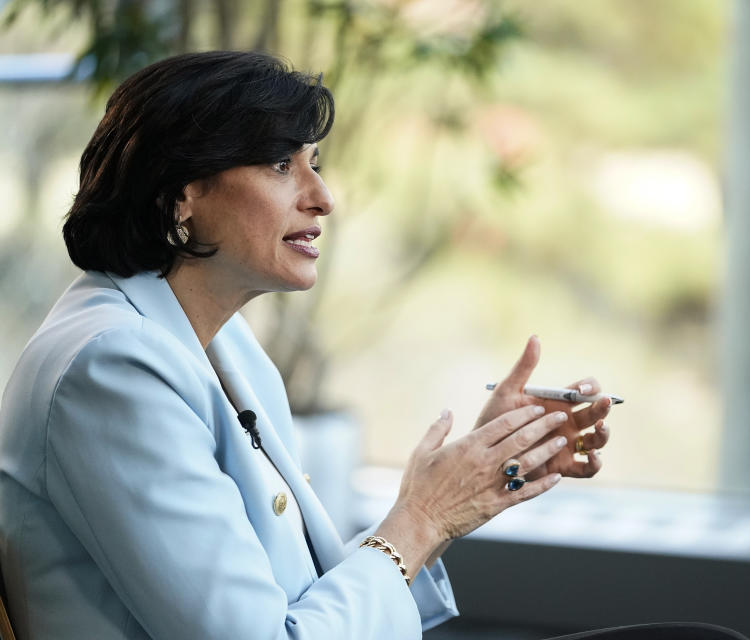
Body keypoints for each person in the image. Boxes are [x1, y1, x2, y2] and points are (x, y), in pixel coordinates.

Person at [0, 50, 614, 639]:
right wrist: (425, 515)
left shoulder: (221, 341)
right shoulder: (112, 369)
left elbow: (301, 597)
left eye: (313, 162)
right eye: (279, 165)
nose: (322, 196)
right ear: (181, 193)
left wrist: (485, 468)